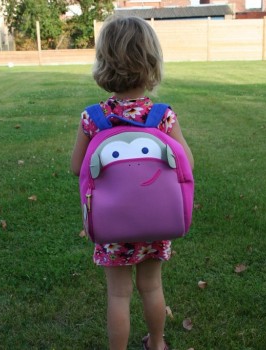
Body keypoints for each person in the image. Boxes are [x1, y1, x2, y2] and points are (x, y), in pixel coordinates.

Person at [71, 15, 194, 350]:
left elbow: (76, 168)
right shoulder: (163, 116)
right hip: (158, 221)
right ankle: (156, 343)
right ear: (152, 61)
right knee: (152, 287)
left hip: (112, 225)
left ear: (104, 62)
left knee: (118, 294)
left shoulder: (93, 118)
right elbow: (187, 164)